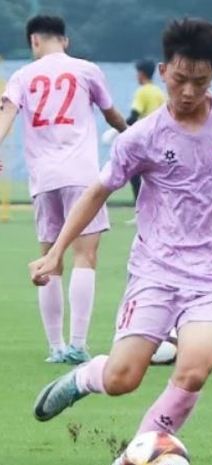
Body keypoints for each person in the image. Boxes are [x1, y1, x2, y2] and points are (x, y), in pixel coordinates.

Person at [29, 17, 212, 460]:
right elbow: (97, 191)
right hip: (156, 272)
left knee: (194, 370)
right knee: (122, 379)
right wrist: (55, 253)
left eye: (200, 82)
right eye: (180, 79)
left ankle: (135, 454)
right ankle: (85, 378)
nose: (188, 92)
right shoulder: (142, 137)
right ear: (164, 71)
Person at [0, 15, 127, 364]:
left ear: (34, 43)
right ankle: (77, 343)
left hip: (43, 179)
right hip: (82, 176)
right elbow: (111, 114)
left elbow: (6, 114)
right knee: (85, 256)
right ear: (65, 40)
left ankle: (54, 347)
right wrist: (130, 132)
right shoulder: (86, 70)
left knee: (49, 261)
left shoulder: (23, 76)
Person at [125, 59, 165, 223]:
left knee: (134, 174)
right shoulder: (159, 92)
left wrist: (117, 130)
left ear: (141, 74)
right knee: (156, 177)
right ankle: (158, 212)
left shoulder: (142, 92)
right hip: (160, 139)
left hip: (145, 139)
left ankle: (141, 212)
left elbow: (134, 115)